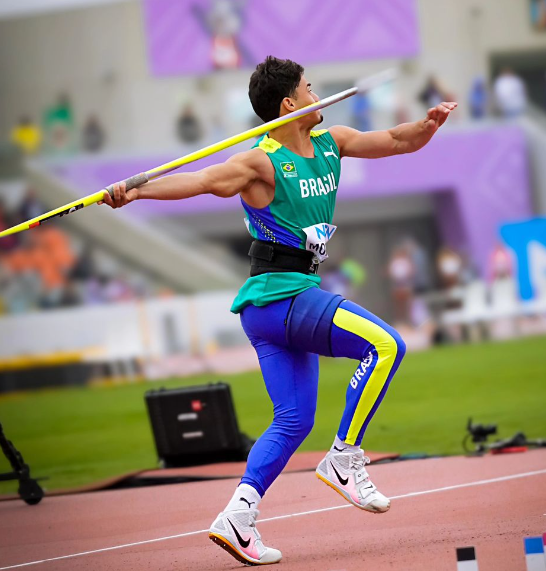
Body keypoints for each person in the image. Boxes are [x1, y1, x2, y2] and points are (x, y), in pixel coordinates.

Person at [100, 56, 456, 566]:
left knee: (293, 421)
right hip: (281, 297)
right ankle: (344, 459)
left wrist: (426, 126)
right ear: (290, 103)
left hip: (277, 308)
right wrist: (134, 191)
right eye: (311, 89)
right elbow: (203, 181)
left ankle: (238, 518)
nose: (319, 96)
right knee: (385, 344)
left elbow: (397, 141)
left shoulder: (334, 143)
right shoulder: (261, 161)